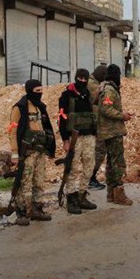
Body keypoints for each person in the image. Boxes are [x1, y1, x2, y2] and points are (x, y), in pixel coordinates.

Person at [8, 79, 56, 225]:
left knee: (39, 181)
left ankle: (37, 208)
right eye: (37, 91)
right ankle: (22, 212)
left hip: (40, 151)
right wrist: (15, 153)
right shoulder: (20, 108)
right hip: (26, 152)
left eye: (41, 91)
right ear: (29, 91)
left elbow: (47, 127)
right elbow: (13, 130)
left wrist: (50, 147)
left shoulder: (40, 107)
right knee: (25, 182)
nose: (40, 94)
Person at [58, 69, 98, 214]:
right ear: (76, 77)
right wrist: (65, 140)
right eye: (80, 78)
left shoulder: (87, 94)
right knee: (73, 168)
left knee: (89, 166)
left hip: (88, 136)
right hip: (74, 137)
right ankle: (71, 198)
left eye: (85, 78)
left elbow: (92, 115)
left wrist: (95, 133)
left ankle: (82, 195)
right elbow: (61, 118)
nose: (82, 81)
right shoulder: (66, 95)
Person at [97, 64, 133, 205]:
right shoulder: (109, 89)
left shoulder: (107, 88)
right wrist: (122, 116)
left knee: (111, 164)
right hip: (112, 131)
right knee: (117, 163)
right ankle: (118, 194)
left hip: (110, 131)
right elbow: (106, 109)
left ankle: (111, 194)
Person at [88, 64, 107, 191]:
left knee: (99, 151)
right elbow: (101, 98)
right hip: (94, 123)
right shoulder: (92, 84)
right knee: (99, 151)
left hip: (95, 123)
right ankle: (90, 178)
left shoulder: (93, 82)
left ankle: (90, 177)